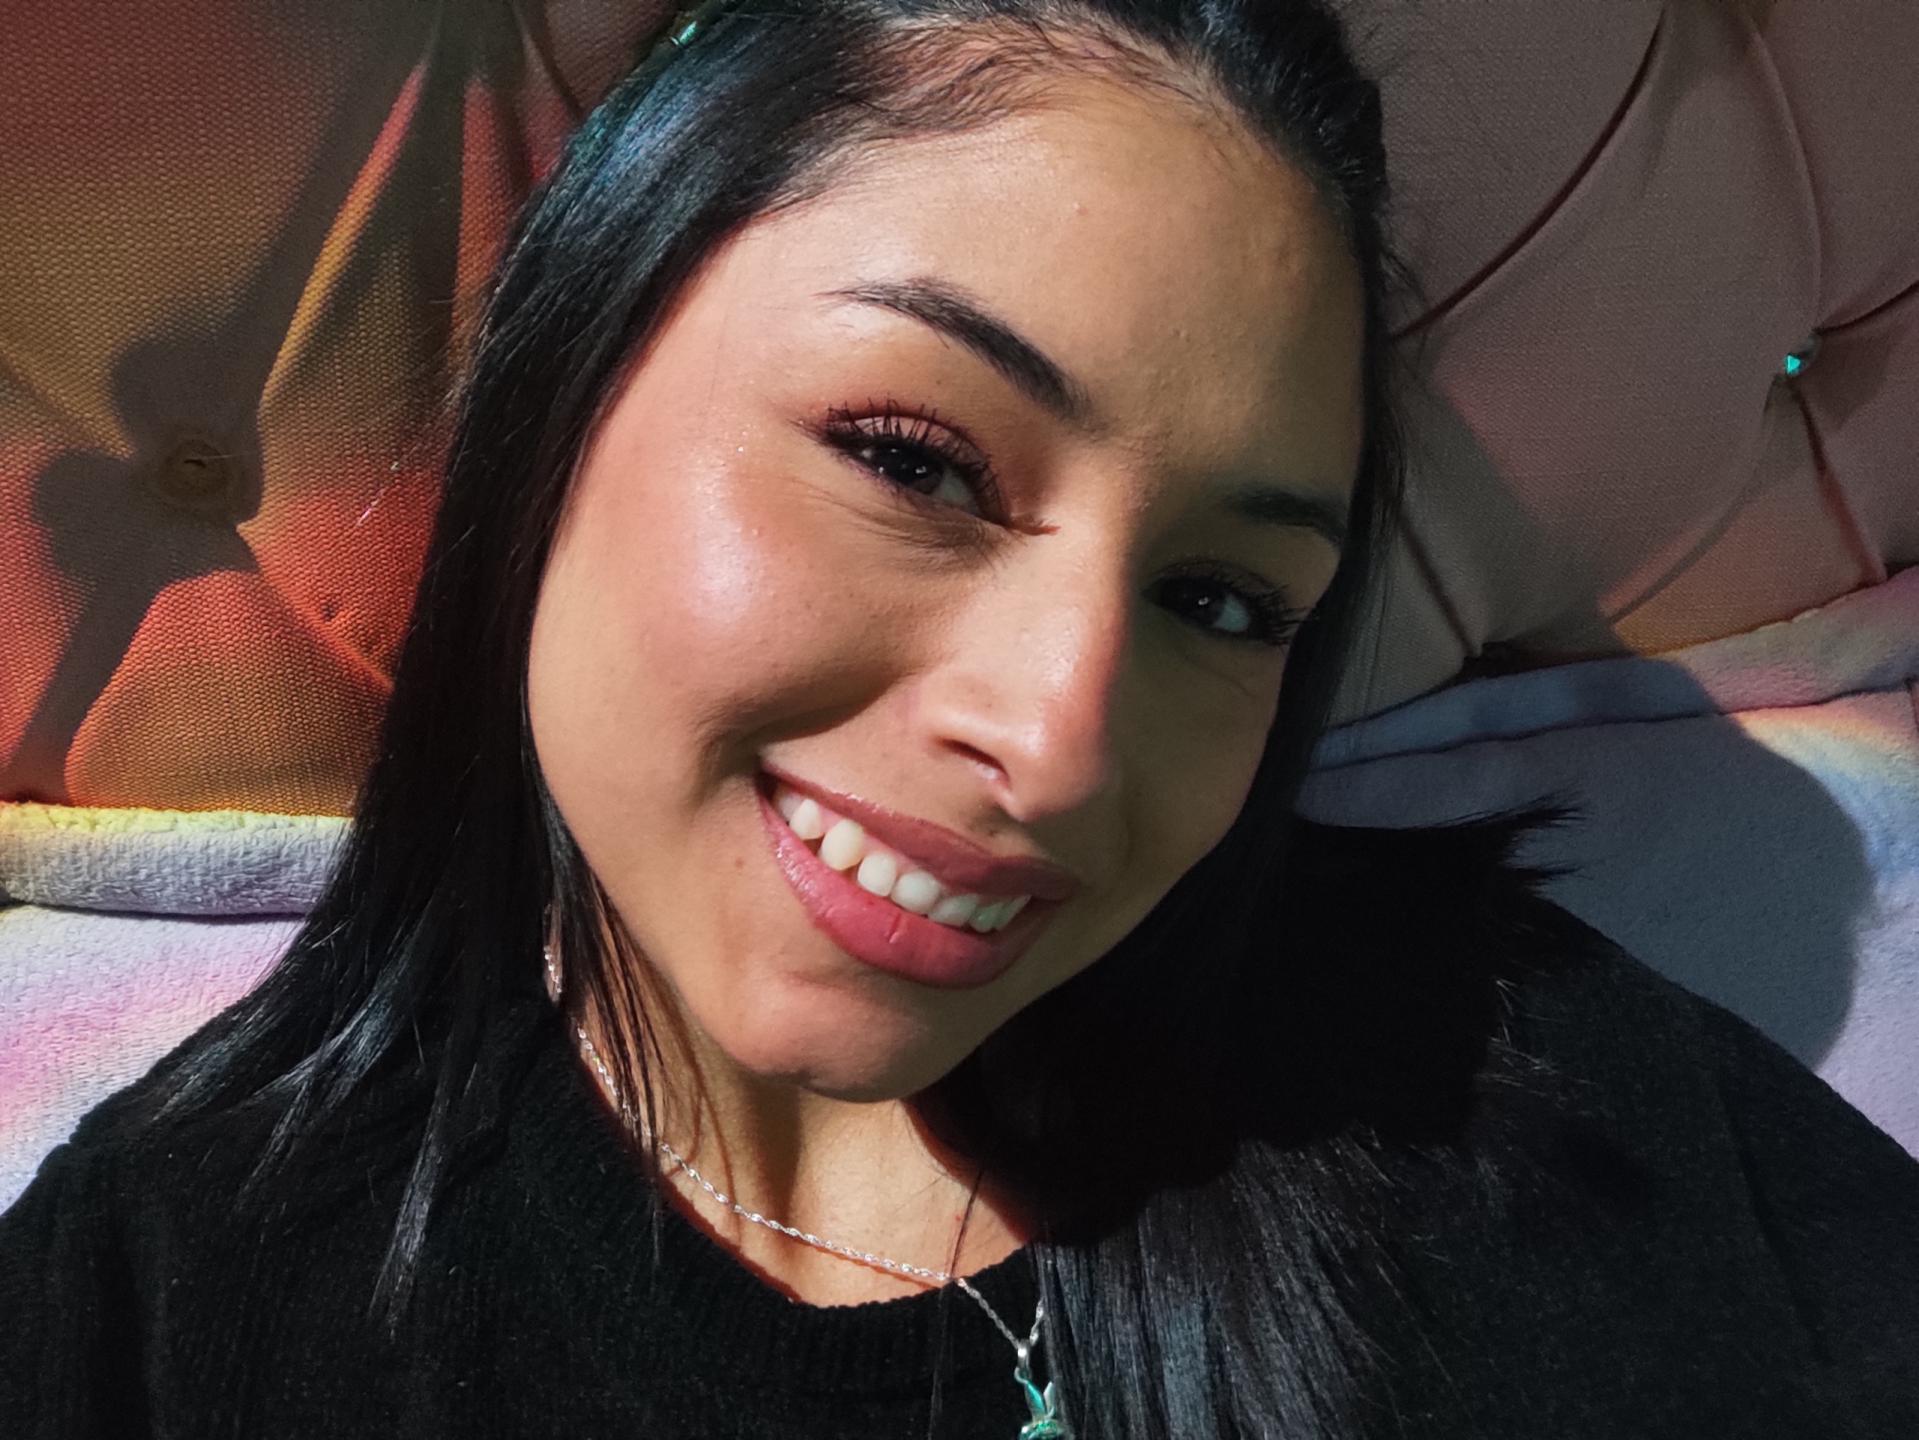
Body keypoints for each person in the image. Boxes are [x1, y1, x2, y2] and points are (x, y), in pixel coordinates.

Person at [4, 1, 1917, 1436]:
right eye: (914, 462)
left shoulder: (1525, 1093)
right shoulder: (154, 1303)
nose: (1068, 749)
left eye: (1222, 601)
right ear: (569, 380)